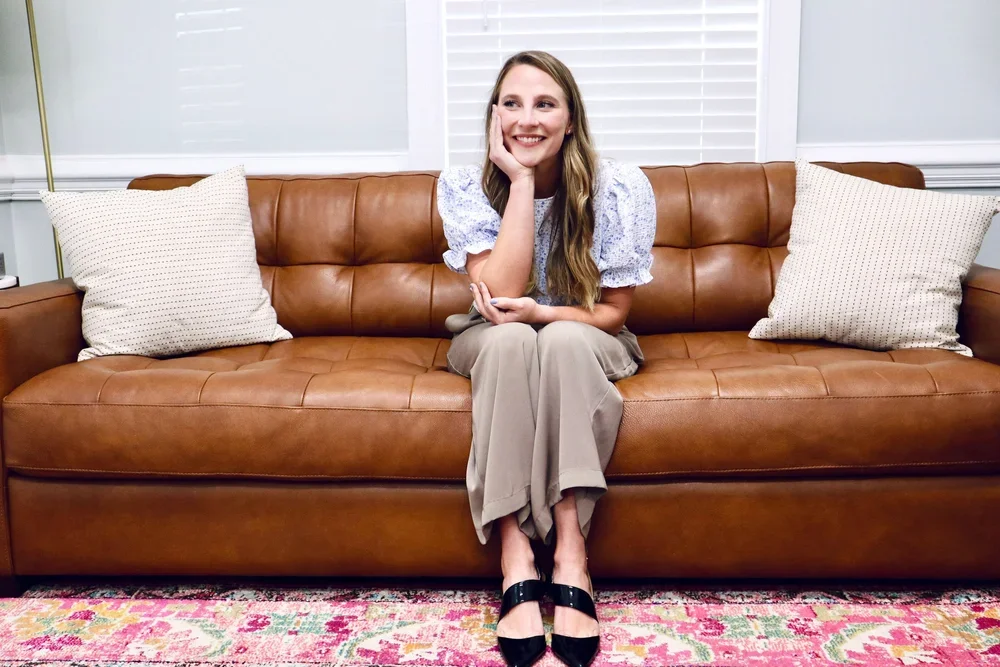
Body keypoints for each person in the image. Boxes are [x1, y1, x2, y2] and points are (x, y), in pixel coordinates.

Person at [437, 50, 656, 667]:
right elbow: (500, 298)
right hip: (494, 333)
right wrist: (523, 181)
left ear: (569, 118)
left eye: (544, 103)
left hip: (584, 331)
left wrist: (545, 315)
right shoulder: (463, 186)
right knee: (510, 339)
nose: (526, 119)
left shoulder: (619, 188)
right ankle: (514, 556)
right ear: (493, 116)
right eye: (511, 103)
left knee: (553, 339)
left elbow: (612, 313)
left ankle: (569, 552)